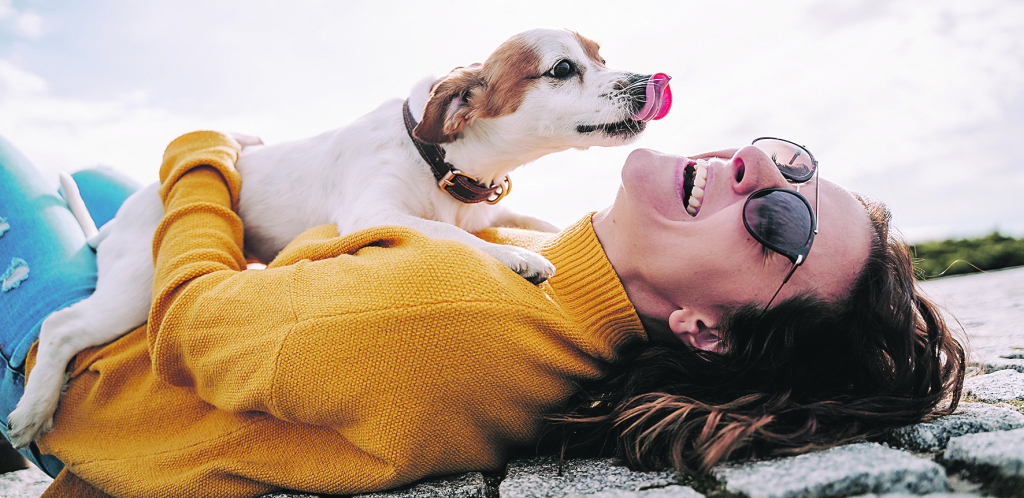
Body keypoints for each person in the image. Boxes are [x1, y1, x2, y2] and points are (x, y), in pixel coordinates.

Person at [0, 131, 964, 497]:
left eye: (780, 220)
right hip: (147, 318)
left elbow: (193, 327)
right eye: (789, 162)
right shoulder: (556, 268)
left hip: (94, 379)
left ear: (704, 330)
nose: (759, 172)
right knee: (96, 179)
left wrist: (205, 157)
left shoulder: (448, 317)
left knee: (21, 164)